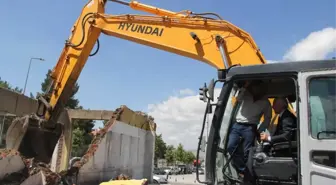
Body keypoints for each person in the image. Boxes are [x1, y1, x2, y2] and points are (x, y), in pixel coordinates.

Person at [227, 80, 272, 180]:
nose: (255, 90)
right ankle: (243, 170)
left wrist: (260, 130)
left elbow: (267, 118)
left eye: (257, 88)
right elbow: (237, 99)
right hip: (237, 125)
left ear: (261, 89)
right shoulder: (245, 94)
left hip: (250, 127)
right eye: (253, 88)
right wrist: (244, 87)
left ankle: (248, 175)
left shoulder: (265, 102)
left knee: (248, 152)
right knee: (230, 147)